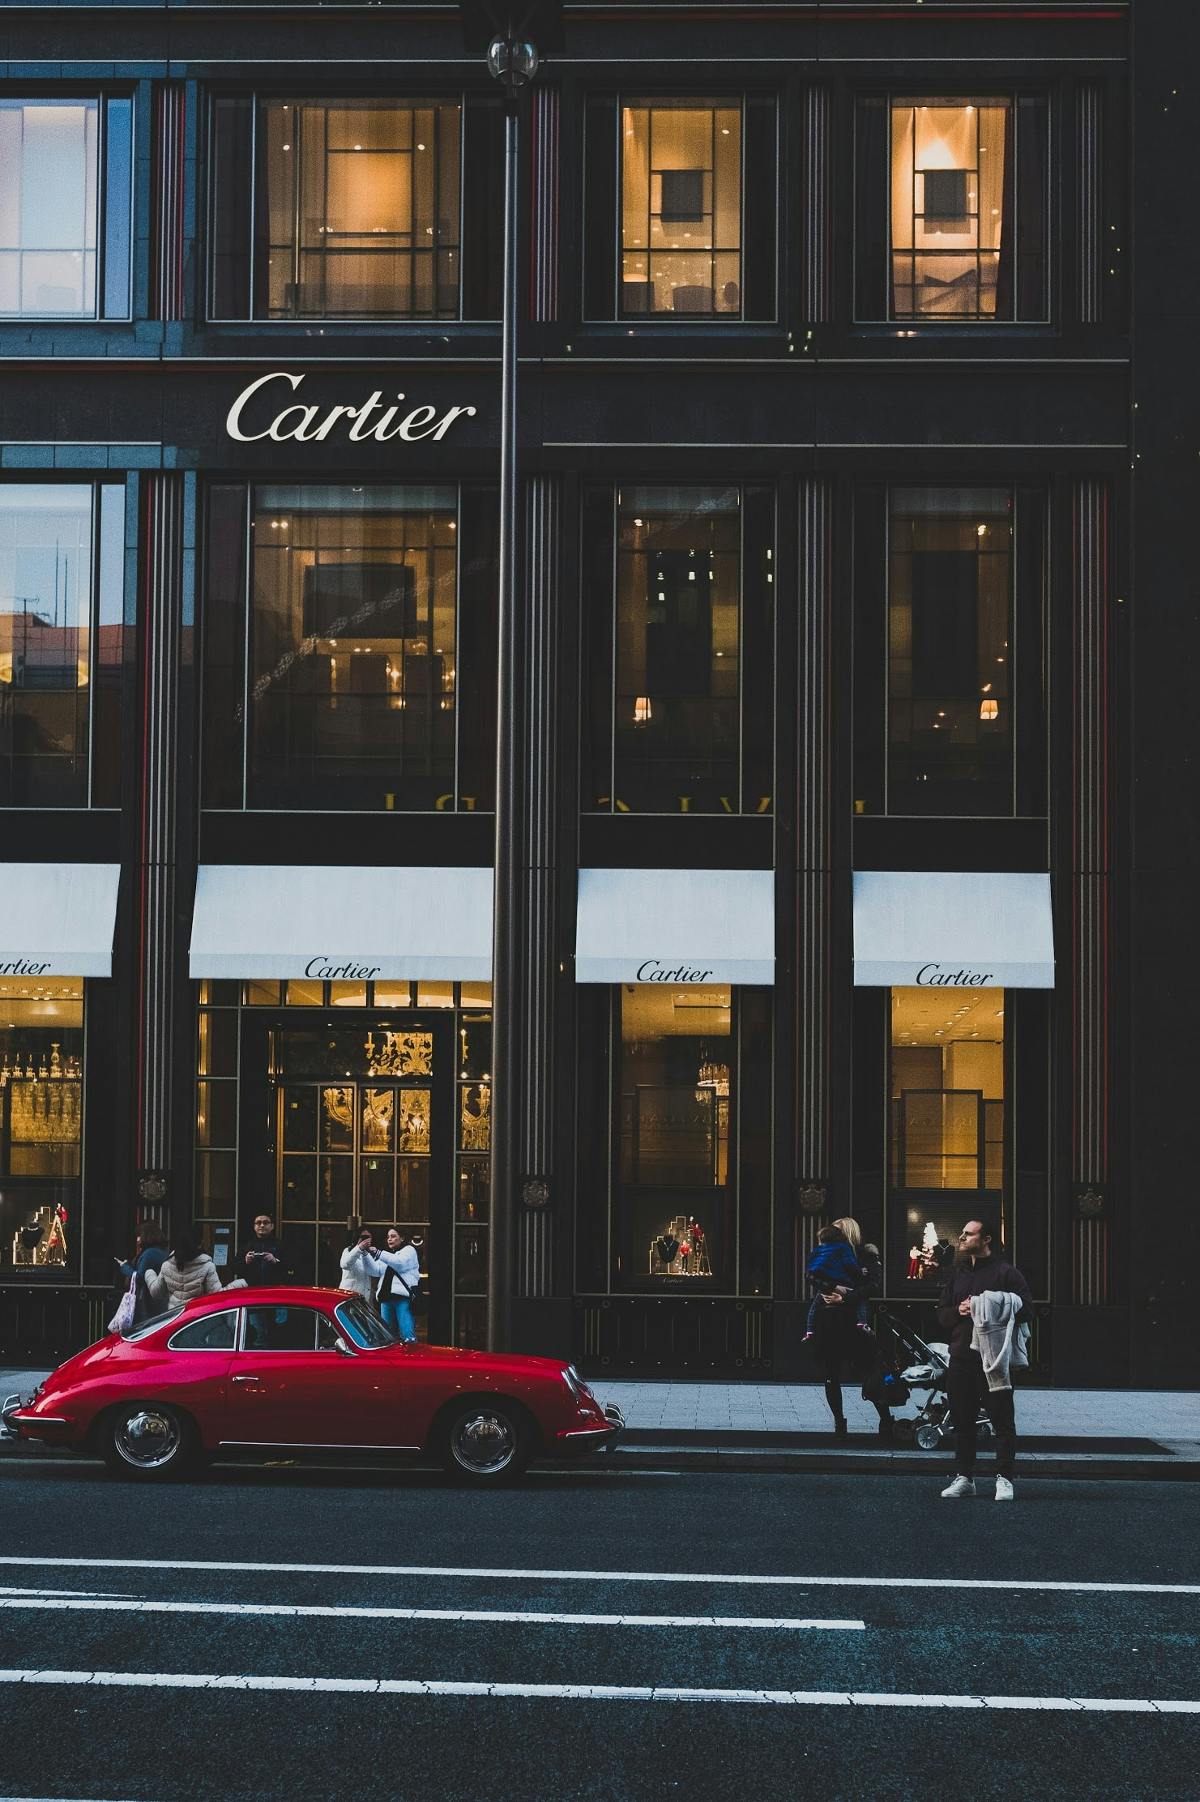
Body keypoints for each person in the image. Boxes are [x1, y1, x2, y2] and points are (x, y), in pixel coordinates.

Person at [937, 1216, 1033, 1502]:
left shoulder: (1007, 1273)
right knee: (962, 1422)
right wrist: (960, 1311)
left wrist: (992, 1304)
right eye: (962, 1233)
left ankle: (1004, 1479)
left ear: (986, 1239)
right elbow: (942, 1315)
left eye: (969, 1234)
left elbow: (1027, 1310)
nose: (962, 1238)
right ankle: (965, 1478)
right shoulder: (959, 1273)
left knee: (1002, 1422)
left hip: (995, 1360)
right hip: (961, 1357)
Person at [806, 1215, 893, 1442]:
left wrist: (845, 1297)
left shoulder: (866, 1254)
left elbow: (873, 1285)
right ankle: (839, 1421)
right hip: (830, 1321)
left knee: (869, 1371)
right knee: (831, 1374)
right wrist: (833, 1287)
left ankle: (885, 1417)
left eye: (838, 1231)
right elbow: (814, 1278)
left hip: (853, 1320)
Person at [802, 1225, 869, 1340]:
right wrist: (860, 1271)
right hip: (842, 1281)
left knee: (814, 1307)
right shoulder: (843, 1247)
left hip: (824, 1284)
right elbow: (850, 1264)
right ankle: (862, 1322)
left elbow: (810, 1268)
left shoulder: (817, 1249)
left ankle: (809, 1330)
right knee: (862, 1299)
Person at [357, 1227, 421, 1343]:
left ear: (402, 1238)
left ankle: (409, 1358)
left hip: (402, 1298)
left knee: (407, 1334)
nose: (389, 1239)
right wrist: (365, 1254)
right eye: (388, 1237)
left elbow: (399, 1263)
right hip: (386, 1298)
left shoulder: (409, 1250)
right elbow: (374, 1271)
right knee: (388, 1336)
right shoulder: (388, 1255)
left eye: (393, 1236)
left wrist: (378, 1253)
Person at [144, 1232, 223, 1313]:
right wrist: (235, 1285)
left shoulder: (167, 1265)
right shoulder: (207, 1267)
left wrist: (149, 1273)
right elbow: (218, 1296)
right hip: (197, 1317)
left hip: (175, 1317)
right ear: (199, 1245)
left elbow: (156, 1293)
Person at [115, 1224, 168, 1324]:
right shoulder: (161, 1252)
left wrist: (124, 1267)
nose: (137, 1239)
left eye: (139, 1235)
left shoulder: (149, 1254)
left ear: (146, 1236)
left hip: (147, 1303)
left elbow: (139, 1277)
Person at [240, 1213, 289, 1287]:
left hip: (274, 1289)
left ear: (272, 1226)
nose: (262, 1225)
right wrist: (246, 1261)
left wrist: (275, 1261)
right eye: (258, 1223)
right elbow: (235, 1268)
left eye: (265, 1223)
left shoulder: (281, 1245)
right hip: (251, 1289)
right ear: (254, 1226)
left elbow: (290, 1267)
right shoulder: (246, 1246)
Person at [338, 1223, 376, 1301]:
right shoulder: (348, 1250)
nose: (366, 1239)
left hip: (365, 1296)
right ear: (357, 1237)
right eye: (363, 1237)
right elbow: (345, 1265)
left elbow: (376, 1272)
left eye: (368, 1237)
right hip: (349, 1295)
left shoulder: (371, 1253)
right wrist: (359, 1248)